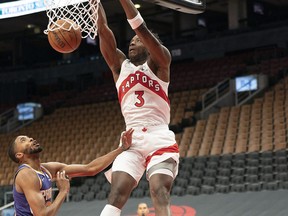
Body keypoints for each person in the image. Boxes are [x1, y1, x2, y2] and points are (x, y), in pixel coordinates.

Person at [95, 1, 180, 215]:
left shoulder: (161, 63)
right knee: (116, 194)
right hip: (131, 139)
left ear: (149, 45)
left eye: (137, 41)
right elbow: (103, 30)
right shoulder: (119, 67)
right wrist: (94, 3)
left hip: (158, 135)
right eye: (131, 42)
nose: (132, 44)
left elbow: (140, 29)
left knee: (159, 190)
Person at [7, 128, 134, 216]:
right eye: (23, 140)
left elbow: (90, 169)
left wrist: (121, 149)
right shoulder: (26, 174)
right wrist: (63, 191)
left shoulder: (47, 169)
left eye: (29, 137)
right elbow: (42, 215)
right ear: (19, 155)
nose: (31, 139)